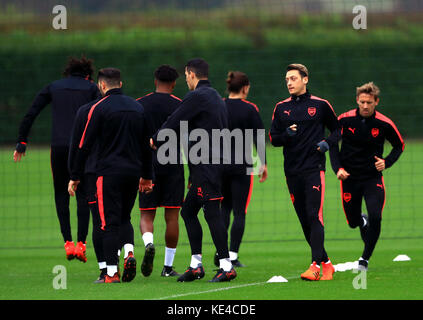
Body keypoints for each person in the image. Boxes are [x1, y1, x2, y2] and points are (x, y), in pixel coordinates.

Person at [150, 58, 236, 282]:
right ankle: (196, 264)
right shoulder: (216, 96)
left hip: (208, 165)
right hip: (209, 165)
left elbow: (175, 120)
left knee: (211, 213)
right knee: (188, 211)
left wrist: (156, 139)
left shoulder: (196, 96)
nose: (186, 80)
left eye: (186, 76)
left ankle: (226, 266)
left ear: (190, 74)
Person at [68, 68, 153, 283]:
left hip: (107, 174)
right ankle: (129, 253)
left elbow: (84, 145)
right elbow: (146, 146)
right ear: (121, 84)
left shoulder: (97, 109)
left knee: (107, 223)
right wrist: (147, 176)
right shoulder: (138, 107)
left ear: (101, 85)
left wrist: (75, 175)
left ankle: (111, 273)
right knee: (125, 217)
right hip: (133, 173)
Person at [13, 56, 100, 262]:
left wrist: (22, 141)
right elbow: (101, 114)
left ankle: (67, 243)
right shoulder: (90, 89)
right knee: (83, 195)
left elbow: (31, 113)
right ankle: (81, 244)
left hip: (58, 148)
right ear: (88, 74)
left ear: (67, 72)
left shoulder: (54, 86)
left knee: (60, 193)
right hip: (81, 148)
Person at [269, 63, 340, 281]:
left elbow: (338, 129)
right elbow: (273, 138)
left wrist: (327, 143)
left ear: (305, 79)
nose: (289, 82)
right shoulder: (281, 108)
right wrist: (286, 136)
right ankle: (327, 263)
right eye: (287, 79)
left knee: (313, 215)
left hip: (314, 168)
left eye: (293, 78)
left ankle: (315, 266)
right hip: (291, 171)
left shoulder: (320, 105)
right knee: (304, 220)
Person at [329, 82, 404, 271]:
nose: (365, 106)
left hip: (372, 179)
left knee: (376, 216)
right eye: (362, 102)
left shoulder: (384, 123)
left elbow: (399, 145)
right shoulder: (344, 120)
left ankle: (365, 259)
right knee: (353, 222)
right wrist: (337, 168)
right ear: (357, 100)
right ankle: (361, 221)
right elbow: (332, 144)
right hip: (349, 179)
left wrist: (386, 162)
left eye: (369, 102)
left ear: (376, 102)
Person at [214, 71, 267, 268]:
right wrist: (263, 163)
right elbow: (259, 137)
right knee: (239, 212)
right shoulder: (250, 108)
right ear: (245, 88)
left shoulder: (218, 104)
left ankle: (221, 253)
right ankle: (233, 255)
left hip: (220, 165)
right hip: (242, 166)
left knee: (223, 210)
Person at [136, 65, 184, 278]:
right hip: (173, 166)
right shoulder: (182, 106)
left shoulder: (139, 105)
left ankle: (149, 244)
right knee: (172, 216)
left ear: (155, 81)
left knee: (147, 214)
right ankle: (167, 267)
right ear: (174, 84)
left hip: (147, 167)